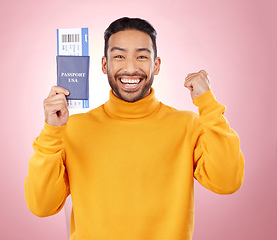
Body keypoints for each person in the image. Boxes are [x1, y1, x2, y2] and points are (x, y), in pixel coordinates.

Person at [25, 17, 245, 240]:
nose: (130, 68)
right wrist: (51, 133)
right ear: (104, 64)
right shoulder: (72, 128)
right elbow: (42, 206)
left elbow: (227, 181)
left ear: (156, 65)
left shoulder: (187, 125)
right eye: (119, 56)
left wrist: (207, 104)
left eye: (141, 56)